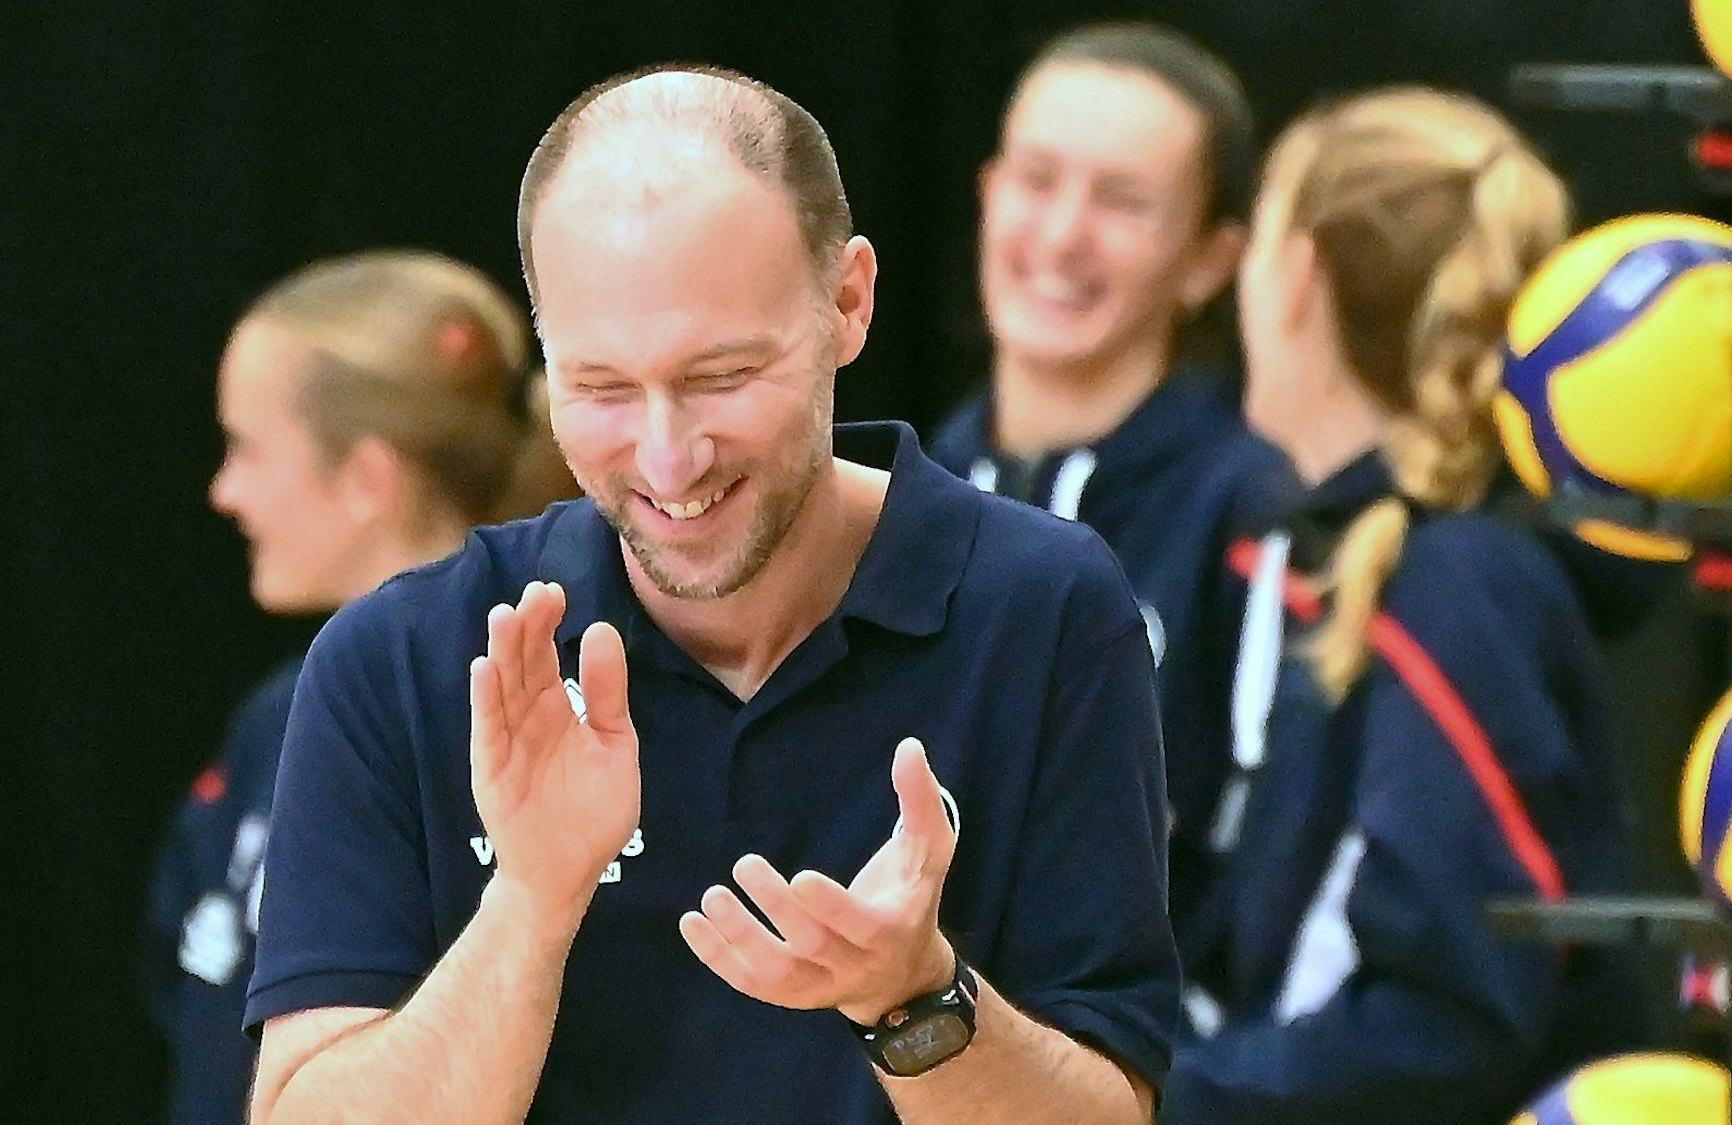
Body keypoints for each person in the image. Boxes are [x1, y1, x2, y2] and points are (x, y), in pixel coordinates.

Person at [242, 65, 1176, 1125]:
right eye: (598, 388)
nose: (667, 457)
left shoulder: (1042, 610)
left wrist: (911, 999)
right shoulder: (405, 654)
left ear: (847, 302)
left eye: (720, 377)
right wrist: (531, 903)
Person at [1158, 88, 1645, 1123]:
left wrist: (1147, 1102)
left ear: (1294, 278)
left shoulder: (1458, 582)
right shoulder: (1358, 550)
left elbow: (1448, 1019)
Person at [145, 249, 579, 1125]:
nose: (223, 490)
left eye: (247, 448)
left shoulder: (535, 720)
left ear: (368, 478)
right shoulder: (281, 713)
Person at [927, 22, 1295, 938]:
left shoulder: (1257, 514)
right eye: (1038, 181)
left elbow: (1261, 876)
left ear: (1211, 261)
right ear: (988, 193)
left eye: (1123, 202)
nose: (1061, 237)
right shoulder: (905, 490)